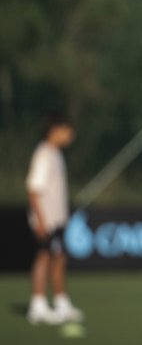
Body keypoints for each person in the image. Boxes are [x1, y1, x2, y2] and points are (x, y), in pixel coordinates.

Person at [26, 112, 83, 325]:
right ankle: (38, 305)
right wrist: (40, 220)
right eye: (67, 130)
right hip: (46, 220)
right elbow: (33, 190)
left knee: (59, 259)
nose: (70, 135)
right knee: (44, 257)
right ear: (55, 130)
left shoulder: (55, 154)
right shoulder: (43, 154)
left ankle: (61, 303)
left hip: (57, 220)